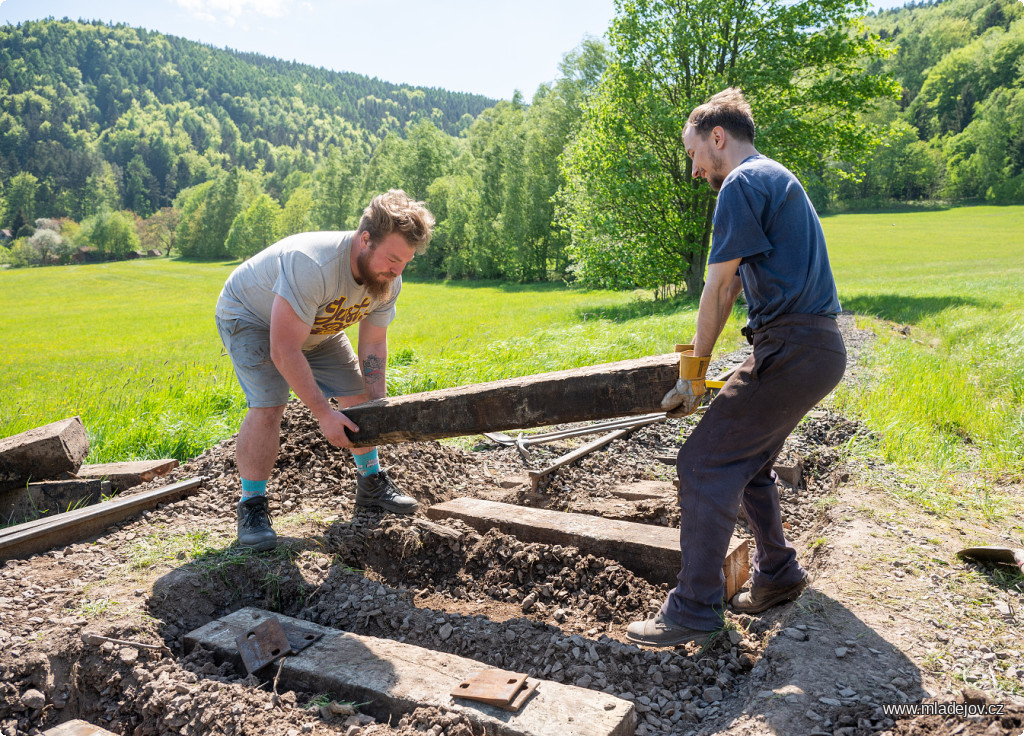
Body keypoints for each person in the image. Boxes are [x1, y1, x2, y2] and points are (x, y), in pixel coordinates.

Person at [626, 88, 847, 647]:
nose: (695, 169)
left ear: (716, 137)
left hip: (792, 348)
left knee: (702, 462)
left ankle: (694, 609)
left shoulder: (743, 183)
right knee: (747, 461)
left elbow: (719, 288)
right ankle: (778, 573)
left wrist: (693, 374)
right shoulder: (775, 177)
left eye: (693, 153)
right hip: (812, 348)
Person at [215, 189, 435, 551]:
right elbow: (284, 349)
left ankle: (371, 482)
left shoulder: (388, 279)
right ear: (365, 239)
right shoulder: (312, 264)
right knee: (270, 404)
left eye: (405, 262)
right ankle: (251, 505)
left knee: (359, 396)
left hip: (319, 324)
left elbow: (374, 344)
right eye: (393, 259)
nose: (398, 271)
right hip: (251, 317)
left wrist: (376, 403)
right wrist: (322, 413)